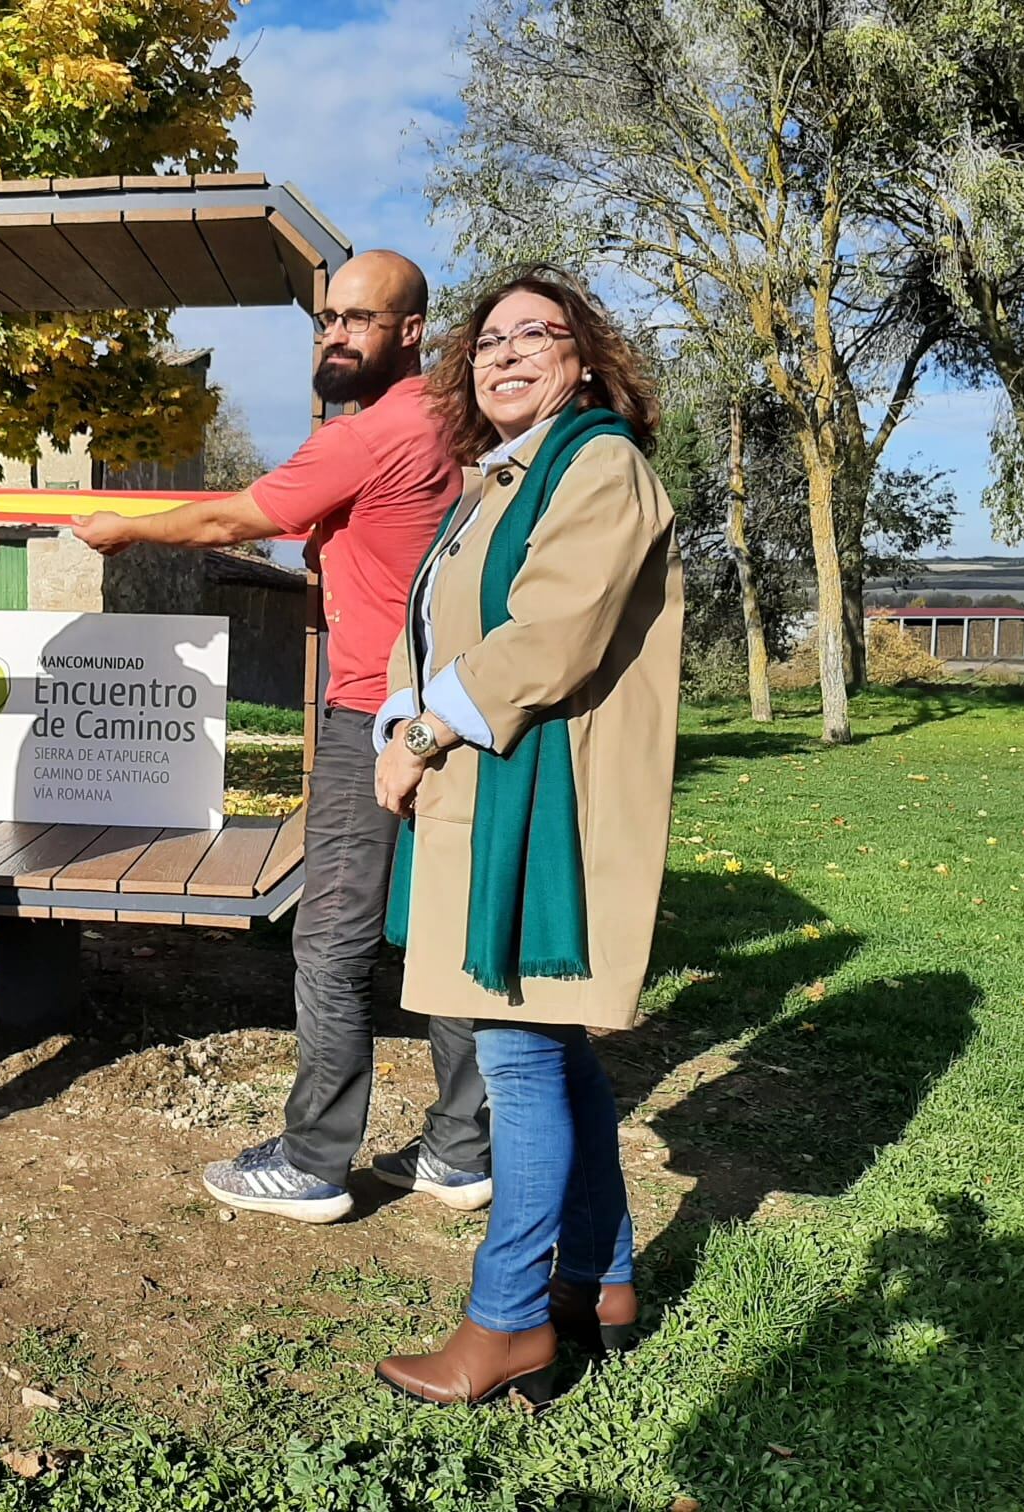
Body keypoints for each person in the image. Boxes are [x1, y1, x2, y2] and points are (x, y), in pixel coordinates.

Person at [72, 251, 494, 1224]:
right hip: (450, 714)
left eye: (360, 319)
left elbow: (235, 513)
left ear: (413, 331)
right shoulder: (449, 425)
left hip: (372, 713)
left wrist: (123, 529)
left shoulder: (371, 435)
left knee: (334, 939)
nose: (336, 334)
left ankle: (311, 1160)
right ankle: (458, 1150)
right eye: (326, 320)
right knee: (445, 933)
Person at [368, 266, 682, 1405]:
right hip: (491, 788)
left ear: (584, 357)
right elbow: (430, 628)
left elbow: (552, 634)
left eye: (532, 336)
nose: (501, 355)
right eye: (485, 342)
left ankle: (507, 1320)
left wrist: (421, 731)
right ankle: (600, 1280)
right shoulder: (493, 487)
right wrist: (397, 725)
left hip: (548, 804)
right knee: (550, 1052)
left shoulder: (598, 466)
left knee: (518, 1057)